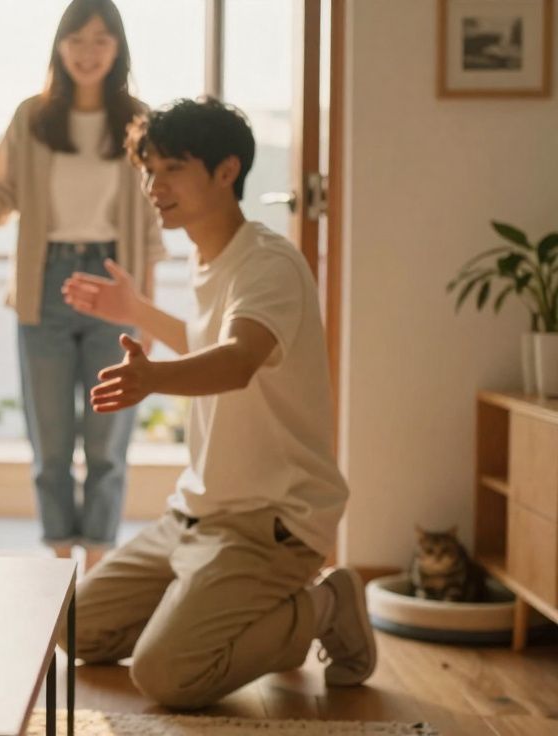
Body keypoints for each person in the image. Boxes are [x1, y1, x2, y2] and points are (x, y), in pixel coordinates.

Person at [58, 97, 374, 708]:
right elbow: (211, 338)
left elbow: (237, 360)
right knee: (77, 628)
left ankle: (327, 603)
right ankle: (199, 603)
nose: (155, 185)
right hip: (194, 516)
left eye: (172, 168)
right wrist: (138, 313)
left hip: (272, 523)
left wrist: (152, 379)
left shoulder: (266, 263)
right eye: (149, 170)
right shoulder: (210, 260)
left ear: (226, 171)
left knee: (168, 676)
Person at [0, 0, 165, 571]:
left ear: (118, 49)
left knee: (109, 440)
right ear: (59, 48)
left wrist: (148, 310)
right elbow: (2, 196)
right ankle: (60, 564)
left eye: (101, 41)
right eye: (77, 40)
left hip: (117, 279)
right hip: (46, 281)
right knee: (51, 441)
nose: (88, 53)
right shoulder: (31, 117)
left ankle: (96, 569)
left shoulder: (139, 118)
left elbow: (154, 215)